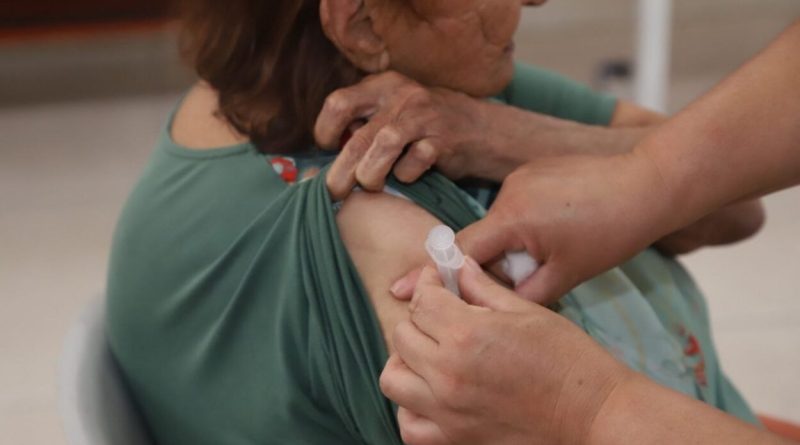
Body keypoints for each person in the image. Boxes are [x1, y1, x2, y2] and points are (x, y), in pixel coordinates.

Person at [106, 1, 765, 444]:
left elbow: (735, 202)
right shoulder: (375, 236)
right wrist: (591, 404)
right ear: (361, 24)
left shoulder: (432, 93)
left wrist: (506, 136)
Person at [377, 19, 800, 445]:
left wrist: (585, 407)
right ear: (352, 20)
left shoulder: (487, 90)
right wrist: (644, 177)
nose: (535, 4)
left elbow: (740, 211)